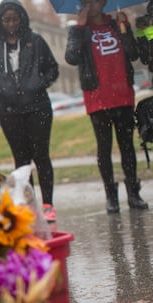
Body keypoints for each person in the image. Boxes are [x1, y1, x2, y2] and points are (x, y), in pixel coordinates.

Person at [0, 0, 59, 222]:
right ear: (0, 22)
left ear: (22, 18)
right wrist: (3, 90)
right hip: (10, 112)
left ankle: (48, 204)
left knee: (41, 156)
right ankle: (30, 206)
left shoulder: (35, 42)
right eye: (6, 20)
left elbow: (53, 69)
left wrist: (37, 84)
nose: (11, 23)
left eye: (15, 18)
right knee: (21, 162)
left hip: (38, 108)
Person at [65, 0, 148, 213]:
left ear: (104, 2)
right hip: (97, 98)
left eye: (95, 0)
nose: (91, 5)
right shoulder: (79, 29)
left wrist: (126, 28)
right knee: (104, 149)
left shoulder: (115, 24)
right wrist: (80, 27)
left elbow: (133, 54)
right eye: (86, 2)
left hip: (123, 95)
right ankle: (111, 196)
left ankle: (133, 193)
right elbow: (72, 57)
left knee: (127, 147)